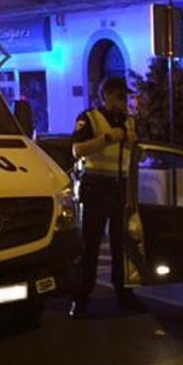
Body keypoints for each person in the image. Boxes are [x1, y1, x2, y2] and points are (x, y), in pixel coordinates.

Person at [69, 77, 146, 317]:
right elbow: (77, 150)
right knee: (90, 245)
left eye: (126, 97)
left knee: (122, 244)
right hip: (97, 186)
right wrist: (108, 138)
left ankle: (124, 293)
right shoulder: (90, 118)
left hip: (121, 187)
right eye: (119, 96)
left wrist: (136, 147)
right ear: (107, 96)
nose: (124, 101)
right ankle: (81, 298)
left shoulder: (130, 122)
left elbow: (140, 158)